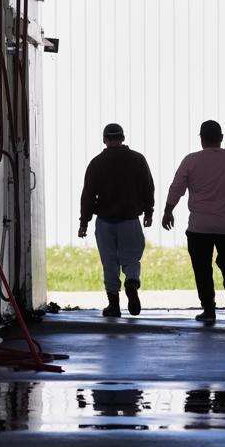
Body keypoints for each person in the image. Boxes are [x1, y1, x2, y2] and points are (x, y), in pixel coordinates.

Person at [163, 120, 225, 322]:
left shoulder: (191, 160)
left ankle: (209, 309)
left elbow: (176, 187)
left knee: (202, 268)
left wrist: (168, 210)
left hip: (199, 226)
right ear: (221, 138)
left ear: (201, 139)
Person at [79, 123, 155, 318]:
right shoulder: (137, 159)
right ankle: (131, 283)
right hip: (130, 220)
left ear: (104, 139)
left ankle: (114, 305)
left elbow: (88, 195)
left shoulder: (97, 163)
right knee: (131, 259)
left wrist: (84, 222)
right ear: (123, 138)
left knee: (109, 262)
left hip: (105, 221)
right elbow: (148, 187)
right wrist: (149, 212)